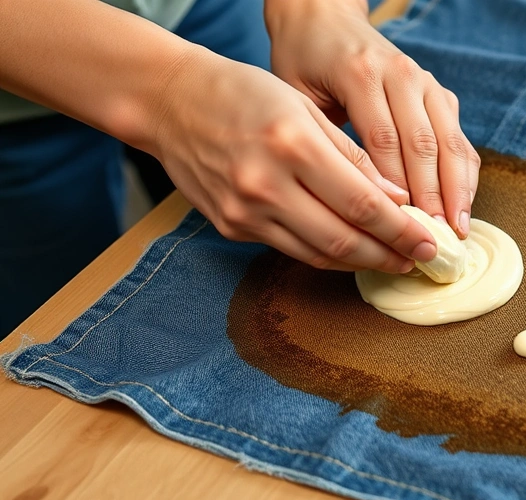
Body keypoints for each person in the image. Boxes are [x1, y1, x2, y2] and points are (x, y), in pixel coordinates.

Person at [0, 0, 479, 336]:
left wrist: (317, 10)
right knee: (63, 307)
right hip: (17, 90)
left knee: (273, 171)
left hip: (203, 9)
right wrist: (164, 90)